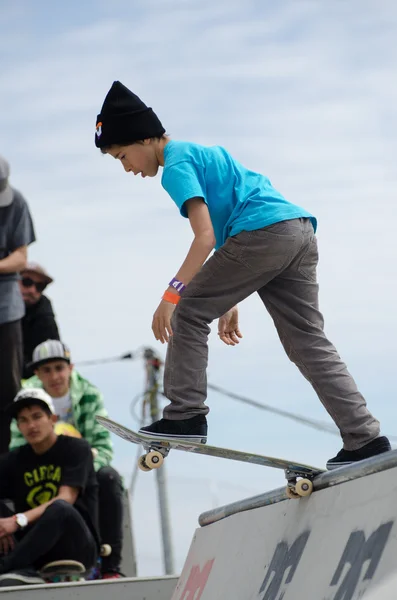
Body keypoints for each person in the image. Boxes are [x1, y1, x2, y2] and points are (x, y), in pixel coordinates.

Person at [93, 80, 391, 470]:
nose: (127, 168)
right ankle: (365, 437)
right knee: (307, 341)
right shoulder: (202, 152)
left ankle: (185, 415)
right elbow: (232, 215)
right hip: (295, 230)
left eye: (122, 155)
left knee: (188, 310)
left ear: (145, 139)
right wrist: (231, 296)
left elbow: (204, 237)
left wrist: (171, 297)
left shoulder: (176, 166)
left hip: (263, 235)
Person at [9, 340, 124, 579]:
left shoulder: (89, 394)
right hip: (40, 472)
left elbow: (102, 445)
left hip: (81, 468)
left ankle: (110, 566)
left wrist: (77, 472)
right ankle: (23, 563)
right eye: (46, 370)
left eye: (59, 368)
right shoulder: (25, 398)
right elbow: (17, 449)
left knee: (109, 477)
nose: (54, 376)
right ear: (37, 373)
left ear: (70, 368)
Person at [0, 388, 99, 587]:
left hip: (76, 547)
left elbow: (66, 498)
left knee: (60, 508)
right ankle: (22, 568)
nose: (31, 425)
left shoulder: (77, 449)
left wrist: (17, 520)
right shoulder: (12, 460)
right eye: (24, 420)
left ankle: (6, 567)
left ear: (52, 418)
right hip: (33, 551)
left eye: (37, 417)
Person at [0, 154, 36, 455]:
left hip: (5, 311)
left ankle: (9, 458)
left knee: (8, 389)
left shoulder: (17, 203)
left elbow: (21, 258)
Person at [19, 262, 60, 379]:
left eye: (39, 286)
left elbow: (51, 357)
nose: (32, 290)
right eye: (27, 282)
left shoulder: (44, 314)